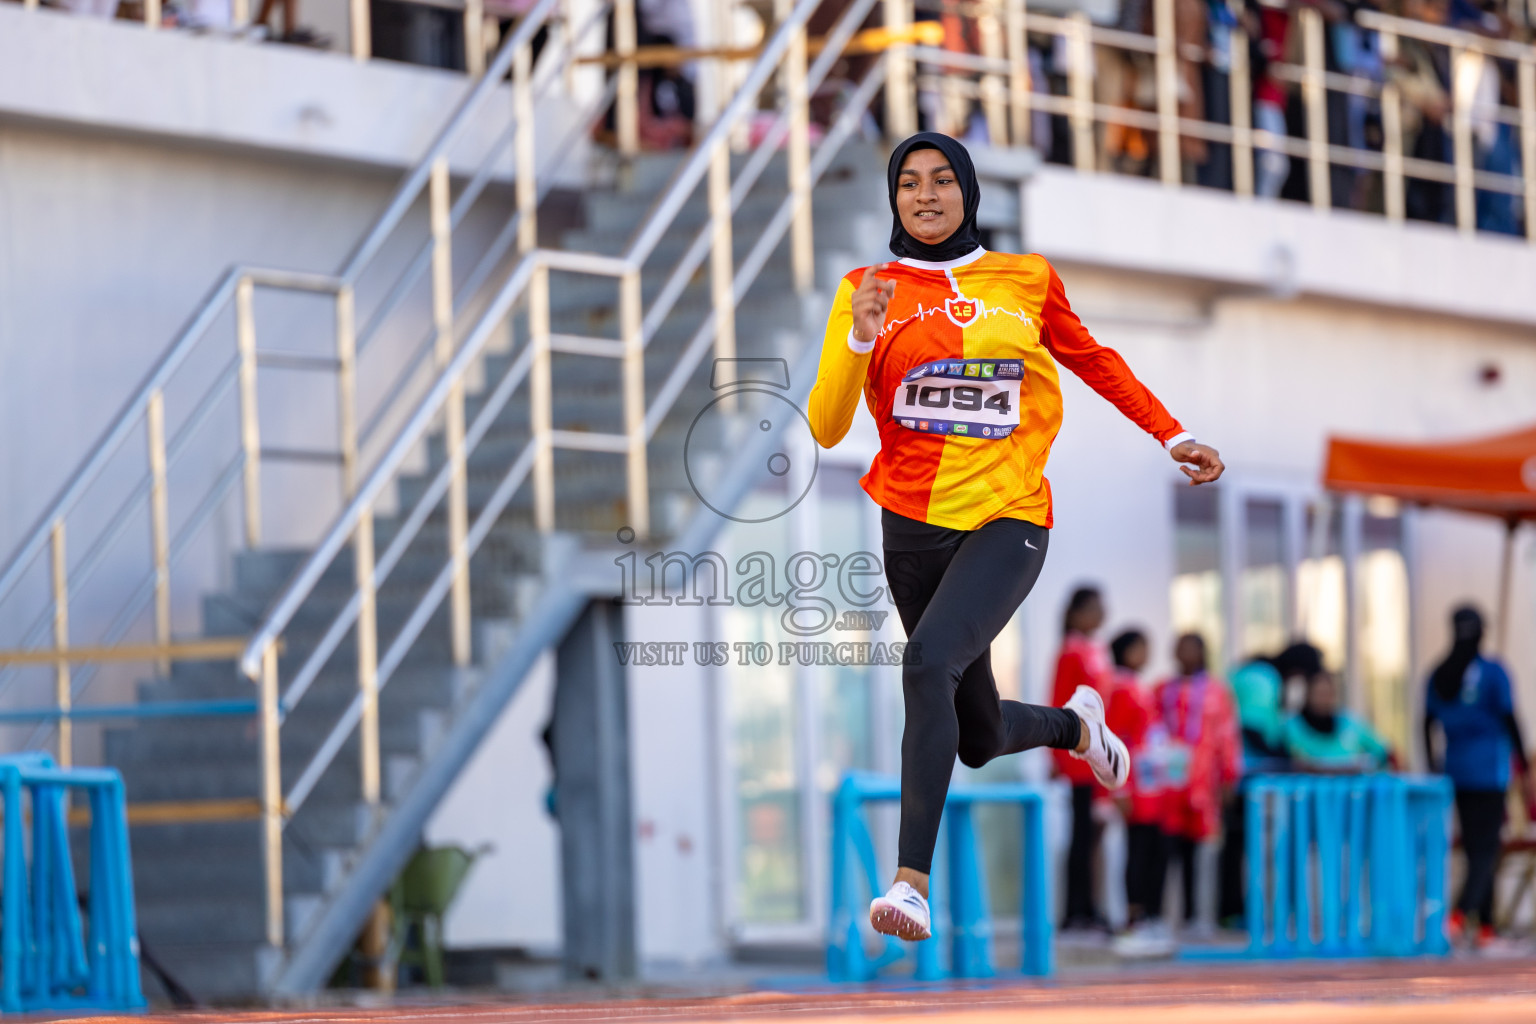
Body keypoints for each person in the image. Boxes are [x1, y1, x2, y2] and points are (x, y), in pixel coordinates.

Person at [806, 132, 1225, 941]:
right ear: (893, 199)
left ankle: (909, 886)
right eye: (908, 185)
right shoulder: (866, 287)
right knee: (978, 735)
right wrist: (860, 339)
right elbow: (826, 427)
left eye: (940, 181)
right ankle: (1076, 726)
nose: (925, 196)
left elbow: (1092, 359)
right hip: (912, 523)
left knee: (925, 666)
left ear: (968, 190)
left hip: (1009, 515)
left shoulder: (1024, 279)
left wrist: (1169, 436)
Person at [1424, 605, 1533, 947]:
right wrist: (1524, 767)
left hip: (1455, 769)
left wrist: (1433, 765)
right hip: (1487, 771)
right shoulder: (1492, 671)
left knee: (1476, 847)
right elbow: (1510, 719)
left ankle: (1485, 925)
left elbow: (1425, 723)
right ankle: (1460, 912)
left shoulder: (1439, 673)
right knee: (1485, 849)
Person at [1153, 633, 1240, 936]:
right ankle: (1163, 916)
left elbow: (1227, 737)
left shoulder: (1217, 692)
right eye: (1180, 649)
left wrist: (1229, 777)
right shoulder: (1163, 690)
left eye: (1191, 649)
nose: (1185, 655)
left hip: (1203, 783)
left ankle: (1197, 915)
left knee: (1200, 849)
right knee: (1166, 848)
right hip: (1169, 783)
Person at [1106, 629, 1177, 956]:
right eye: (1141, 648)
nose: (1147, 654)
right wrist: (1118, 788)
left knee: (1157, 850)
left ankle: (1152, 914)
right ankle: (1135, 918)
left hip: (1155, 785)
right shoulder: (1120, 687)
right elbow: (1114, 735)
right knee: (1138, 850)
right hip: (1135, 784)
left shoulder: (1142, 686)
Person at [1051, 587, 1113, 933]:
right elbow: (1059, 703)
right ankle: (1076, 911)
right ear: (1076, 614)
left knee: (1094, 835)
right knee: (1080, 835)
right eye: (1093, 609)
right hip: (1079, 757)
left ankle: (1091, 906)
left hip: (1101, 755)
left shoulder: (1096, 651)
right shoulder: (1071, 652)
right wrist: (1057, 754)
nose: (1100, 615)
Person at [1217, 651, 1288, 925]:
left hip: (1236, 780)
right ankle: (1247, 911)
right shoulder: (1264, 680)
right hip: (1251, 783)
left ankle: (1236, 911)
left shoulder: (1239, 678)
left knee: (1236, 848)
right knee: (1251, 848)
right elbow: (1254, 728)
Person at [1283, 671, 1393, 772]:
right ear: (1307, 695)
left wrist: (1368, 764)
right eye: (1318, 694)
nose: (1323, 700)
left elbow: (1382, 750)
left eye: (1328, 694)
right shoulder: (1291, 726)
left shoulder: (1350, 723)